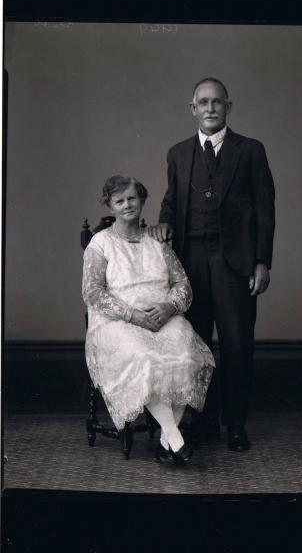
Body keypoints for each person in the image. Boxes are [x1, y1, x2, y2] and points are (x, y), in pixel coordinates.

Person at [149, 78, 275, 452]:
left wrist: (262, 262)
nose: (210, 108)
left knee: (237, 345)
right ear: (192, 109)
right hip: (190, 263)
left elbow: (266, 212)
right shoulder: (178, 153)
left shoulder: (250, 151)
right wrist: (164, 222)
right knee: (195, 346)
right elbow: (171, 203)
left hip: (234, 263)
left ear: (228, 107)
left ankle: (235, 425)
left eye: (217, 102)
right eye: (202, 102)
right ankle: (204, 423)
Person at [82, 175, 215, 465]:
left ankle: (169, 441)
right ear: (111, 205)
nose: (127, 205)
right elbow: (92, 293)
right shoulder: (101, 243)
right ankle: (175, 439)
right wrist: (132, 315)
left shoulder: (158, 241)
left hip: (162, 316)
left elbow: (183, 286)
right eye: (119, 201)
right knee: (145, 358)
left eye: (132, 198)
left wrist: (168, 307)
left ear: (142, 200)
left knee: (188, 354)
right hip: (118, 321)